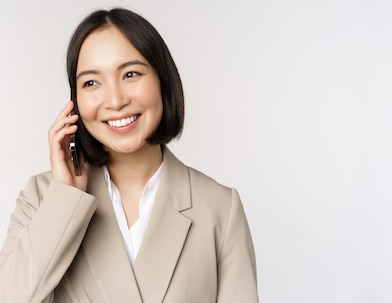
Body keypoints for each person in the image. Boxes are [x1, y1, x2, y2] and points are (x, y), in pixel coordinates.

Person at [0, 8, 258, 302]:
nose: (115, 100)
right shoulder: (42, 198)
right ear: (75, 102)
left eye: (131, 74)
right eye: (91, 82)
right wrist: (65, 200)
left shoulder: (220, 209)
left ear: (163, 80)